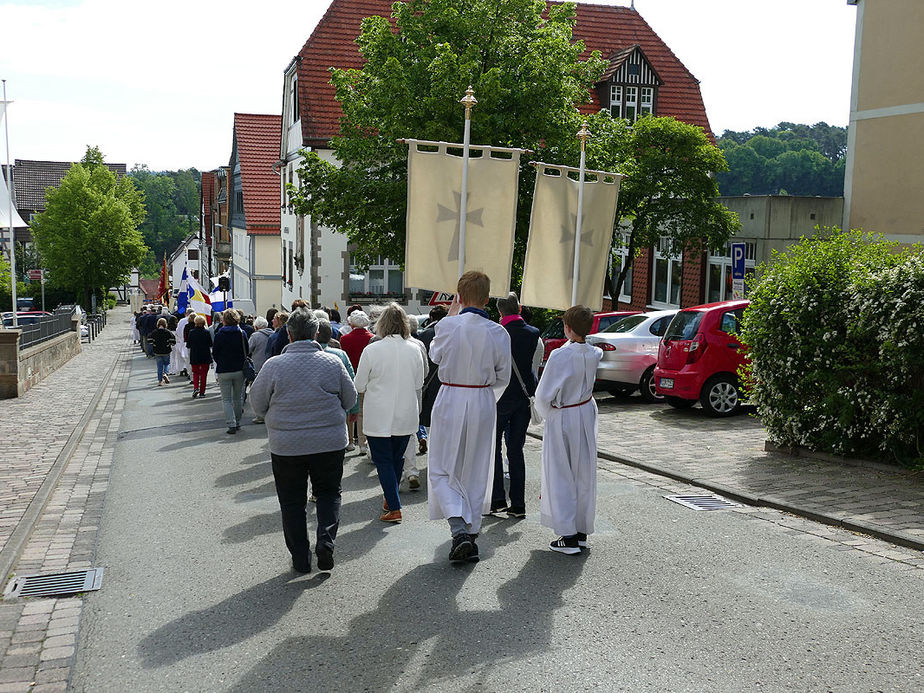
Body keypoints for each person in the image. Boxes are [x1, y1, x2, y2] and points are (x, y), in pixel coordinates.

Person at [249, 308, 357, 573]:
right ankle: (326, 542)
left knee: (292, 502)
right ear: (316, 333)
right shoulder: (332, 363)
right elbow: (351, 399)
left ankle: (300, 557)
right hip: (328, 442)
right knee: (329, 493)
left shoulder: (274, 365)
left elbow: (257, 404)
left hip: (287, 446)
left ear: (288, 334)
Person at [427, 271, 511, 562]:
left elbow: (435, 357)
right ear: (488, 299)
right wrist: (485, 396)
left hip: (451, 396)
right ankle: (470, 528)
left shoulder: (448, 326)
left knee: (441, 466)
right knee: (476, 466)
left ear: (459, 298)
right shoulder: (498, 332)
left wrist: (453, 313)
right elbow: (504, 376)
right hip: (482, 398)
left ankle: (458, 527)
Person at [533, 305, 602, 555]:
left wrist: (545, 414)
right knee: (583, 472)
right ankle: (581, 528)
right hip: (585, 410)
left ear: (567, 328)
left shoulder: (560, 356)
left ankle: (568, 534)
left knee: (561, 472)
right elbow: (580, 351)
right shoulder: (594, 353)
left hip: (563, 414)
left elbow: (543, 394)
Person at [354, 303, 427, 523]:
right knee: (396, 459)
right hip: (405, 411)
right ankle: (390, 498)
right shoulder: (414, 348)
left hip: (380, 412)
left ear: (381, 324)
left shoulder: (372, 350)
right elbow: (419, 382)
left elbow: (359, 385)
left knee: (384, 460)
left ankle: (394, 506)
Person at [490, 292, 543, 518]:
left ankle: (498, 499)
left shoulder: (496, 333)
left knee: (493, 448)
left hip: (500, 396)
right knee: (515, 450)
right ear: (519, 309)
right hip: (523, 396)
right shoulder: (532, 333)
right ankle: (519, 504)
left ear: (500, 312)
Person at [316, 320, 360, 450]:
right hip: (337, 406)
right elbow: (351, 382)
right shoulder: (340, 354)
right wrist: (355, 408)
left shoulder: (304, 356)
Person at [339, 310, 374, 455]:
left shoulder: (345, 339)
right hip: (368, 378)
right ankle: (363, 443)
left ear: (351, 323)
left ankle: (350, 441)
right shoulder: (372, 338)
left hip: (350, 377)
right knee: (363, 413)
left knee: (350, 410)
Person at [212, 310, 250, 434]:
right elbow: (247, 350)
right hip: (239, 368)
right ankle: (238, 421)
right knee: (237, 398)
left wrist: (220, 362)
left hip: (224, 369)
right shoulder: (241, 333)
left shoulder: (219, 334)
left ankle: (231, 423)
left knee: (226, 399)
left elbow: (215, 353)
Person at [417, 304, 448, 453]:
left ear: (431, 317)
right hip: (448, 383)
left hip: (428, 382)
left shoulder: (424, 334)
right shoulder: (451, 333)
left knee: (428, 417)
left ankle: (430, 442)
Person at [187, 315, 213, 398]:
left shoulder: (191, 332)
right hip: (205, 355)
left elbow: (188, 345)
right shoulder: (206, 332)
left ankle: (195, 388)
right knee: (204, 374)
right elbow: (210, 344)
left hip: (195, 355)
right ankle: (202, 392)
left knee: (195, 373)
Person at [147, 317, 176, 386]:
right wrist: (169, 344)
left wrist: (154, 344)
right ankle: (165, 373)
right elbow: (173, 342)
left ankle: (160, 381)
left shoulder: (154, 332)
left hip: (157, 351)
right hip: (166, 350)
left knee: (159, 366)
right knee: (167, 364)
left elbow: (149, 340)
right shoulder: (168, 332)